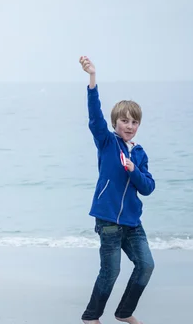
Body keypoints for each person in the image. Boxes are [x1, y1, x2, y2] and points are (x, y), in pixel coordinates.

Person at [79, 56, 155, 324]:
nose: (130, 127)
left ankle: (124, 313)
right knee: (110, 272)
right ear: (115, 123)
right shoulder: (107, 142)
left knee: (146, 265)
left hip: (133, 222)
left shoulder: (140, 154)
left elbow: (148, 187)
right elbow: (94, 116)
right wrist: (92, 78)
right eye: (125, 121)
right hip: (109, 219)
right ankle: (91, 317)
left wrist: (134, 170)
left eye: (134, 123)